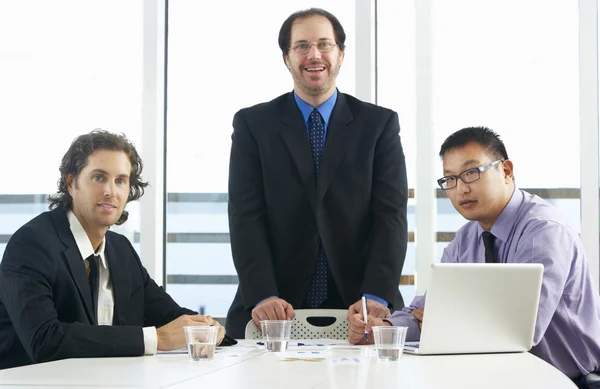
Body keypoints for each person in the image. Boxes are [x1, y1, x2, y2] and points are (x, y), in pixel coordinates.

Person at [348, 126, 600, 388]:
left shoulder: (543, 231)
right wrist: (382, 328)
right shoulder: (467, 237)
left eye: (471, 173)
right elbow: (424, 307)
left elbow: (519, 332)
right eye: (450, 179)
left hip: (564, 380)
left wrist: (439, 318)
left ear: (506, 171)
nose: (460, 189)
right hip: (496, 374)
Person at [225, 7, 408, 338]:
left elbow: (390, 216)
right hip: (275, 307)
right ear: (286, 57)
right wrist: (264, 294)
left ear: (340, 54)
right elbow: (245, 216)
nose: (314, 55)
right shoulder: (254, 125)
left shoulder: (378, 125)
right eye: (302, 46)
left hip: (361, 306)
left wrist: (377, 295)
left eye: (325, 44)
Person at [0, 130, 225, 369]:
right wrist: (157, 339)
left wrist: (208, 328)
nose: (111, 191)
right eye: (99, 178)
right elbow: (44, 339)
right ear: (71, 183)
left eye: (120, 181)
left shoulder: (121, 250)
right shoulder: (33, 243)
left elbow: (170, 315)